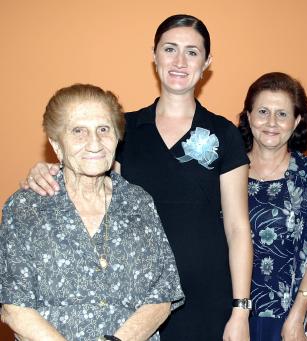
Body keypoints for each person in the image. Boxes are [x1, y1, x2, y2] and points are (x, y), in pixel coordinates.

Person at [19, 15, 253, 341]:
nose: (179, 61)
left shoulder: (224, 133)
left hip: (208, 297)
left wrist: (241, 309)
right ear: (154, 55)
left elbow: (238, 227)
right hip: (136, 302)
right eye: (170, 49)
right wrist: (44, 169)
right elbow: (83, 179)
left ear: (207, 62)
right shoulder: (122, 129)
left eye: (192, 52)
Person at [0, 84, 184, 341]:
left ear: (117, 137)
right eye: (78, 131)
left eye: (104, 129)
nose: (95, 143)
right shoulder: (25, 208)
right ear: (57, 145)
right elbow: (13, 306)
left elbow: (162, 295)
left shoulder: (139, 203)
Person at [238, 72, 307, 341]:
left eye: (282, 114)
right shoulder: (228, 172)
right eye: (262, 111)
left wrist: (298, 315)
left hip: (285, 317)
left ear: (296, 121)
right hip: (230, 314)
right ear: (248, 116)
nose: (271, 122)